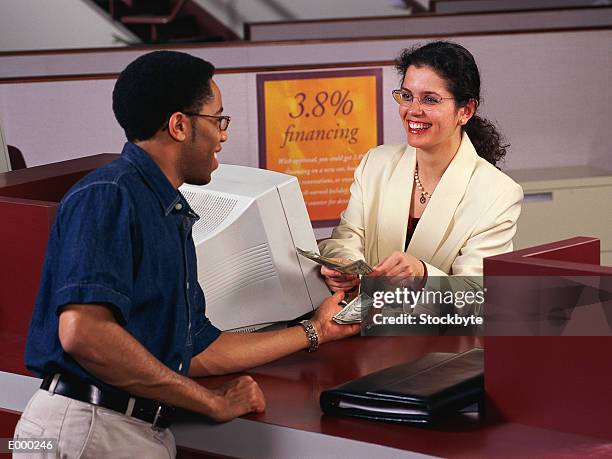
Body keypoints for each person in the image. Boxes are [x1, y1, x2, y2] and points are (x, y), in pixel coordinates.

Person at [15, 51, 358, 458]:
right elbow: (84, 334)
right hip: (87, 429)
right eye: (218, 120)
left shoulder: (169, 211)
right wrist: (210, 401)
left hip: (125, 429)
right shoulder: (110, 195)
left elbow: (196, 350)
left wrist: (316, 331)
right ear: (179, 125)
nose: (223, 135)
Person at [319, 41, 523, 294]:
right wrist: (344, 264)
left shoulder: (498, 193)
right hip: (364, 324)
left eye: (429, 100)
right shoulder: (376, 163)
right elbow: (347, 236)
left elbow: (476, 296)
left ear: (466, 111)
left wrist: (423, 274)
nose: (413, 111)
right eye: (406, 97)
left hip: (436, 330)